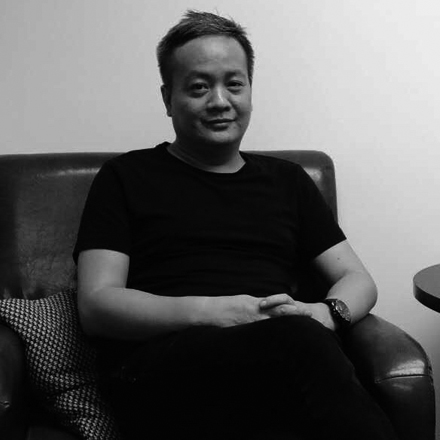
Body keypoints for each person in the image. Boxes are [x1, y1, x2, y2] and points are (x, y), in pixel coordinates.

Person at [74, 10, 398, 440]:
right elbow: (97, 305)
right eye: (198, 87)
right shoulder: (125, 177)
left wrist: (325, 313)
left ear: (249, 90)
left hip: (286, 356)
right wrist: (221, 313)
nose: (220, 101)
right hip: (162, 366)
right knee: (298, 349)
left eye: (234, 84)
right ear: (168, 98)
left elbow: (358, 279)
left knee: (299, 353)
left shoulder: (288, 181)